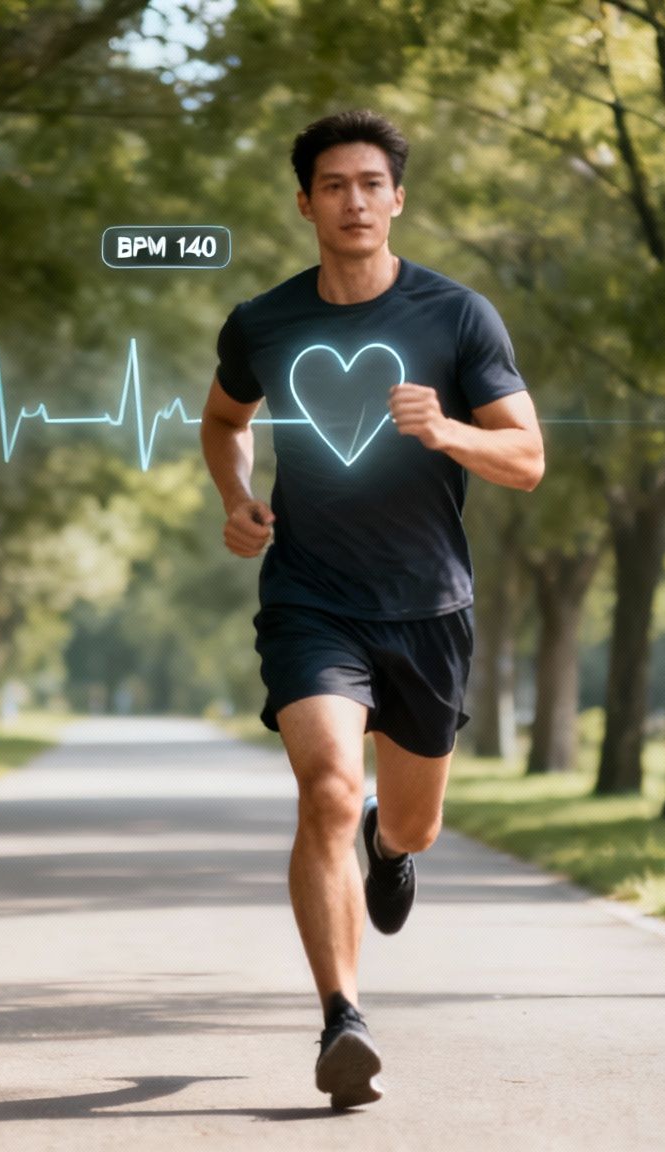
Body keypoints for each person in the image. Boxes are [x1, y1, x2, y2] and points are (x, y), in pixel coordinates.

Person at [198, 108, 545, 1110]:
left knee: (408, 821)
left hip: (428, 606)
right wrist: (236, 496)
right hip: (310, 598)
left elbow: (524, 460)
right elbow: (223, 419)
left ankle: (390, 852)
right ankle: (341, 1018)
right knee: (324, 791)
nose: (352, 200)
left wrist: (446, 432)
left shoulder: (456, 317)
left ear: (396, 198)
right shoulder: (261, 322)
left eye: (369, 183)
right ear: (304, 202)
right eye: (332, 185)